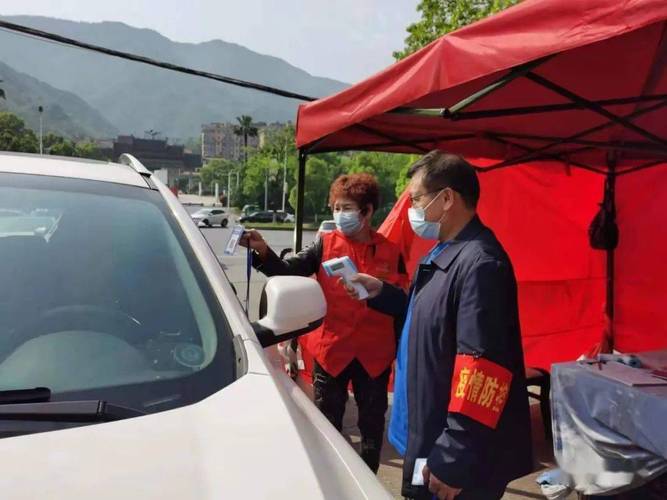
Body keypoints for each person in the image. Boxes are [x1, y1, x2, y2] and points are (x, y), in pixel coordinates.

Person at [346, 151, 533, 499]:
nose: (412, 210)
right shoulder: (442, 252)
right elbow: (431, 317)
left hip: (452, 455)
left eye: (417, 200)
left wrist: (453, 457)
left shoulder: (481, 264)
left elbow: (482, 369)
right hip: (428, 431)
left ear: (446, 199)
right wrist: (382, 293)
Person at [240, 173, 408, 473]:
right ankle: (332, 480)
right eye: (336, 208)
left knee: (372, 428)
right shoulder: (324, 243)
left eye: (347, 208)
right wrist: (263, 251)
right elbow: (287, 270)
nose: (340, 214)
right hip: (332, 351)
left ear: (368, 211)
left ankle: (368, 479)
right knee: (328, 425)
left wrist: (397, 344)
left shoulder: (391, 251)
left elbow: (402, 302)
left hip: (375, 354)